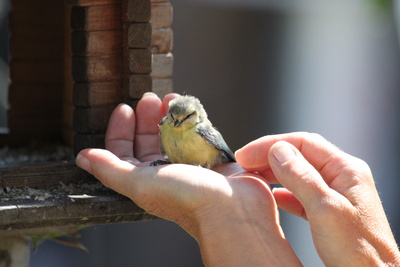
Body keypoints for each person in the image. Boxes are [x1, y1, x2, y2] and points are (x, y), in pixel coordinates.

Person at [76, 93, 400, 266]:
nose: (175, 125)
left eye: (183, 119)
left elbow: (220, 150)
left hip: (211, 165)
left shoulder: (202, 130)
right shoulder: (166, 125)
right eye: (172, 119)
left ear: (196, 118)